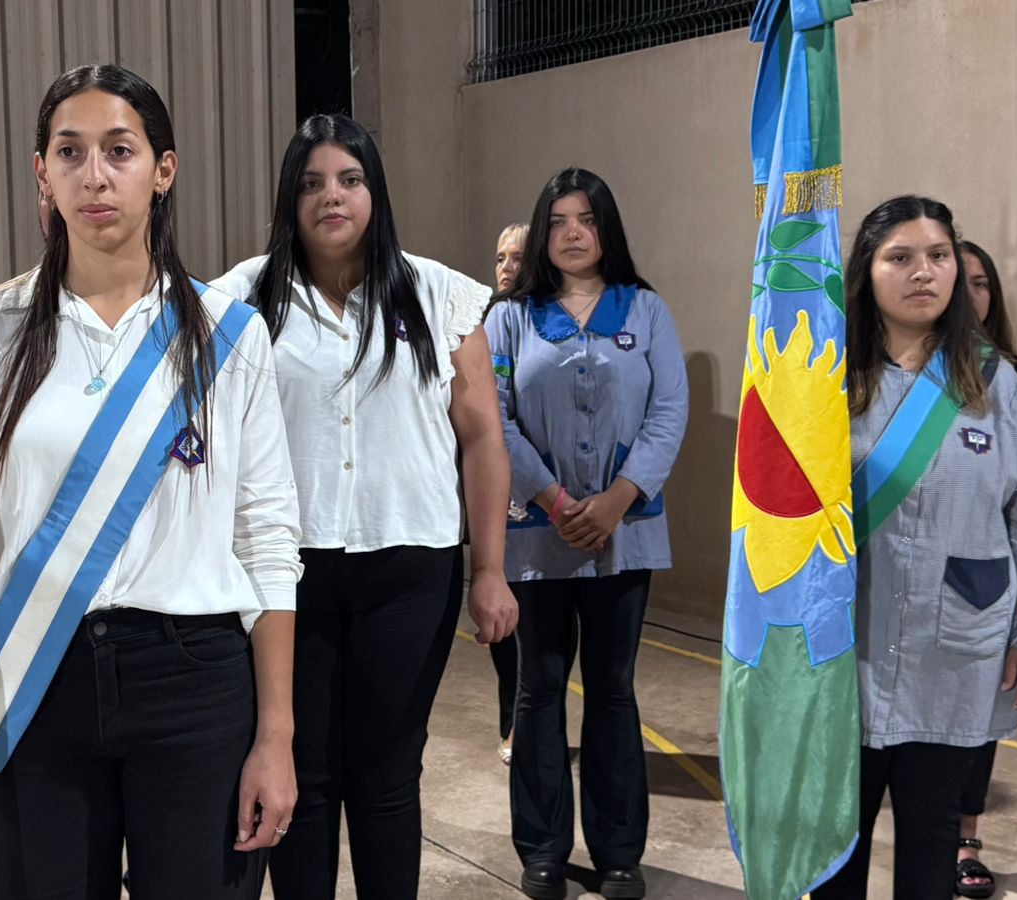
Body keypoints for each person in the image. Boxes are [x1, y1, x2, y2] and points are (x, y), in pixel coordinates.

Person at [0, 64, 300, 898]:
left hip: (194, 678)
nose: (94, 176)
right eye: (69, 152)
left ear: (162, 170)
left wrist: (276, 735)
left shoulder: (229, 336)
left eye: (119, 151)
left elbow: (267, 540)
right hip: (37, 673)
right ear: (42, 173)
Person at [210, 113, 516, 900]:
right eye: (311, 183)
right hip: (287, 575)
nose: (332, 196)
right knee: (302, 777)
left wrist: (490, 569)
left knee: (386, 776)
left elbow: (483, 438)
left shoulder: (441, 296)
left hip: (409, 570)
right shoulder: (239, 300)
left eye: (349, 179)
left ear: (375, 191)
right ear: (290, 197)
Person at [811, 196, 1017, 900]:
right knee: (833, 846)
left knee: (930, 840)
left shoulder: (994, 381)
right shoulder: (825, 375)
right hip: (843, 648)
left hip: (953, 649)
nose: (923, 272)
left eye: (938, 256)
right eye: (901, 257)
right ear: (867, 270)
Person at [486, 167, 687, 900]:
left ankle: (618, 853)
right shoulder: (510, 318)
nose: (573, 233)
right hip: (535, 535)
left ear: (608, 230)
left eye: (588, 219)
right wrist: (555, 497)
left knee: (612, 690)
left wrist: (617, 500)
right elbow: (493, 417)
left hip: (624, 536)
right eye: (560, 220)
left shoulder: (647, 310)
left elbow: (669, 411)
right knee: (538, 689)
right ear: (543, 231)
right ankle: (542, 849)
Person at [952, 239, 1017, 899]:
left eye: (981, 282)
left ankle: (965, 839)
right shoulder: (884, 371)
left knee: (979, 717)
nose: (969, 294)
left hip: (984, 585)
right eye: (958, 278)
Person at [489, 221, 528, 766]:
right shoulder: (488, 319)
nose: (506, 267)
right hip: (499, 501)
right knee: (500, 627)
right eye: (500, 258)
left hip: (539, 501)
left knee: (535, 633)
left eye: (517, 257)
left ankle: (526, 726)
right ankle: (510, 723)